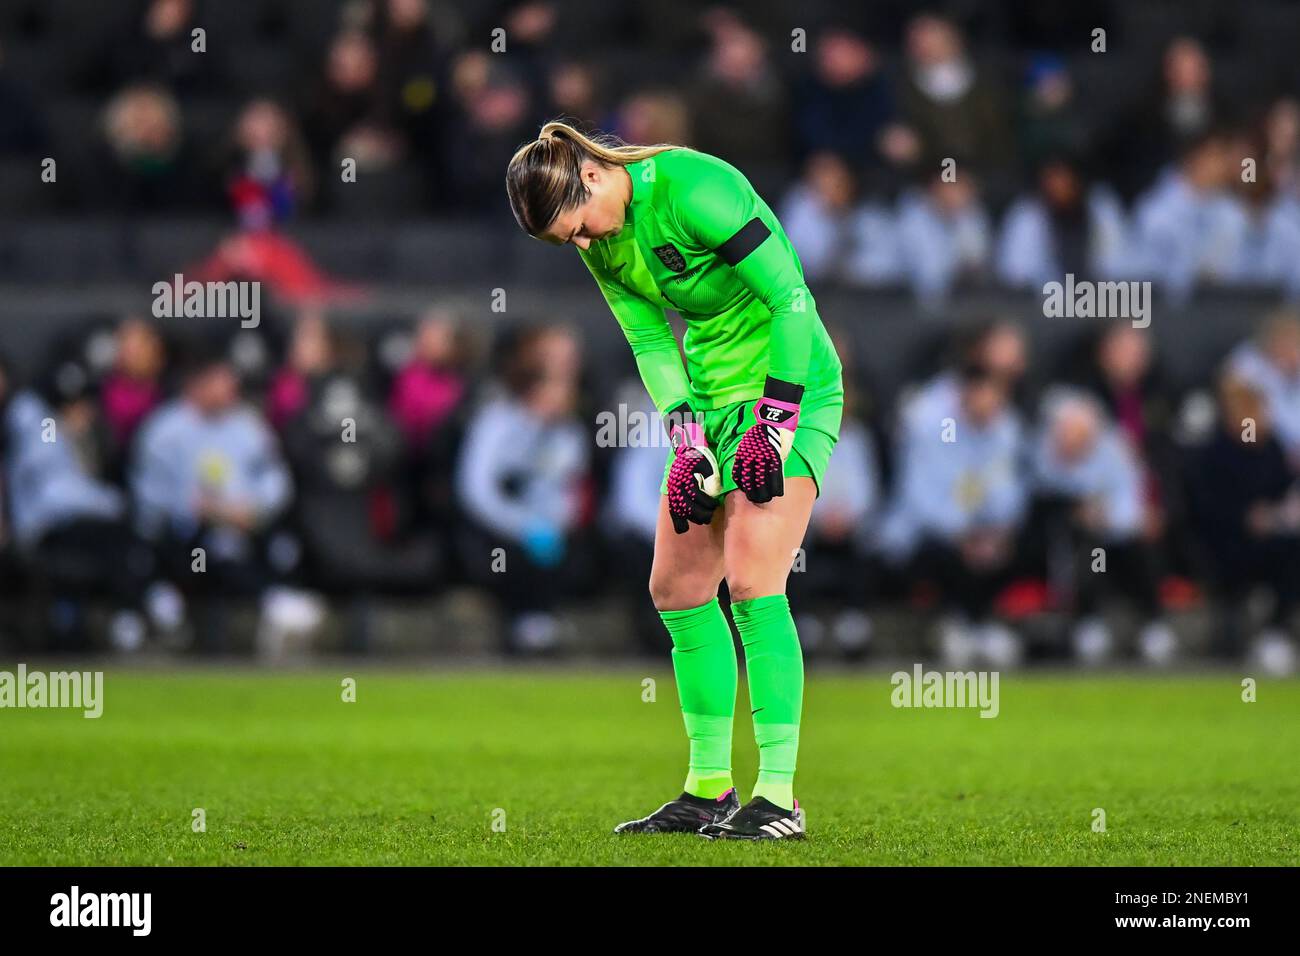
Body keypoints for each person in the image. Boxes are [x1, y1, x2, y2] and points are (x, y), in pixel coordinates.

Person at [506, 121, 843, 840]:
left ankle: (778, 798)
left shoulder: (698, 188)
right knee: (678, 588)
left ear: (591, 177)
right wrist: (689, 442)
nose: (583, 244)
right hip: (715, 398)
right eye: (568, 240)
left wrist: (776, 422)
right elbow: (651, 339)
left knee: (754, 582)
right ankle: (709, 789)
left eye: (577, 227)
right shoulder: (600, 235)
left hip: (793, 386)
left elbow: (791, 300)